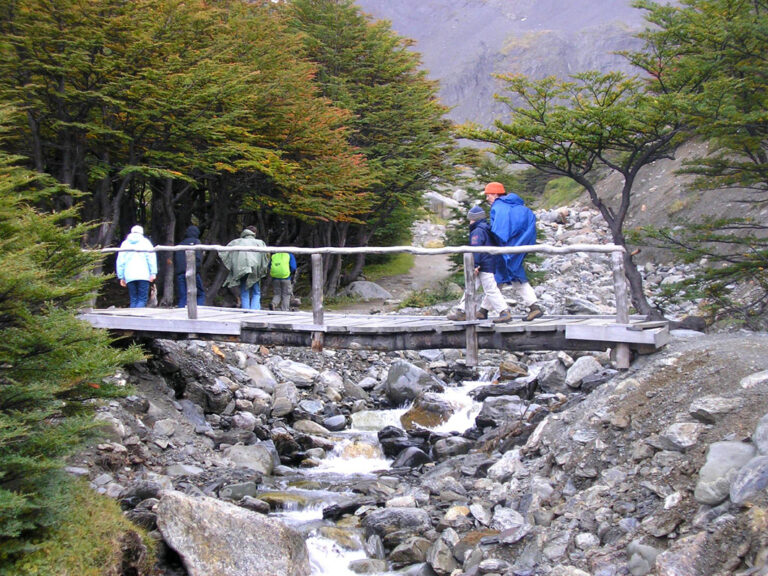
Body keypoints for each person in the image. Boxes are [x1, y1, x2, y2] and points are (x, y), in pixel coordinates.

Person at [484, 181, 544, 322]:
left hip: (505, 247)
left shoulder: (499, 206)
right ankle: (483, 310)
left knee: (500, 275)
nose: (487, 199)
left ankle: (532, 307)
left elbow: (499, 230)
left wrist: (491, 243)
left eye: (488, 195)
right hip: (520, 245)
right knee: (510, 275)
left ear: (494, 194)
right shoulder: (522, 208)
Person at [447, 205, 512, 323]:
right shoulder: (486, 228)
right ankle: (462, 310)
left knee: (490, 289)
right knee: (471, 286)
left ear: (475, 219)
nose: (470, 221)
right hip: (488, 262)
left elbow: (476, 249)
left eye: (471, 219)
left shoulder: (477, 231)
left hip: (483, 265)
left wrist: (475, 265)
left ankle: (504, 311)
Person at [220, 226, 270, 310]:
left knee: (244, 292)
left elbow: (224, 252)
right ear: (254, 233)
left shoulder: (237, 242)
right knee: (256, 292)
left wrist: (234, 266)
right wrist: (261, 268)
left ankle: (246, 311)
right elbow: (266, 257)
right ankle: (254, 312)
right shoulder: (260, 243)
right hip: (255, 269)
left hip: (242, 269)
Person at [116, 225, 157, 308]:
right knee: (142, 299)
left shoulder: (125, 243)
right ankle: (139, 318)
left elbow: (120, 261)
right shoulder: (146, 243)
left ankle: (131, 318)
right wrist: (153, 273)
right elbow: (151, 258)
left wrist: (121, 276)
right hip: (143, 274)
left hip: (129, 275)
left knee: (133, 299)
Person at [174, 225, 206, 307]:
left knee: (183, 296)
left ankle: (180, 314)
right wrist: (196, 270)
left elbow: (177, 260)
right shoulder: (196, 242)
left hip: (180, 273)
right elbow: (198, 258)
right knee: (200, 294)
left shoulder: (180, 244)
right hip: (192, 272)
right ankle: (198, 312)